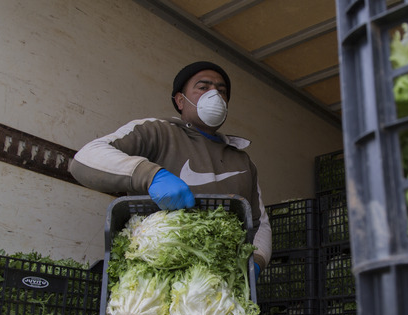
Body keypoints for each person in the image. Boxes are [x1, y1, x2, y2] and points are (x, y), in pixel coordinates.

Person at [69, 61, 271, 277]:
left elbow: (260, 225)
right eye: (203, 87)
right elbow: (86, 158)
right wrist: (151, 176)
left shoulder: (242, 161)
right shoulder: (157, 131)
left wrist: (256, 261)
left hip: (218, 285)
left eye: (221, 91)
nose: (214, 95)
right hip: (150, 276)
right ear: (180, 100)